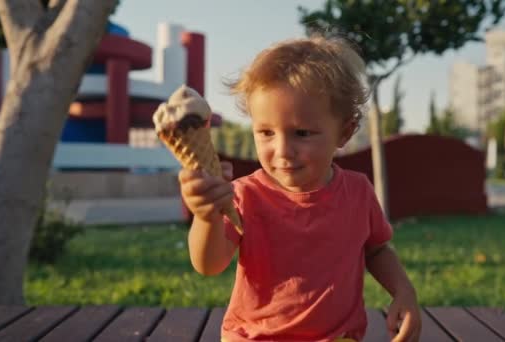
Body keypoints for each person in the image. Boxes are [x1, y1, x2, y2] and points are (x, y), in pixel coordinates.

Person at [179, 35, 421, 342]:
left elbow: (376, 249)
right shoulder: (244, 195)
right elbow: (208, 265)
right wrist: (205, 218)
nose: (282, 150)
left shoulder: (358, 193)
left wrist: (404, 291)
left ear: (344, 132)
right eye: (266, 132)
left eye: (301, 133)